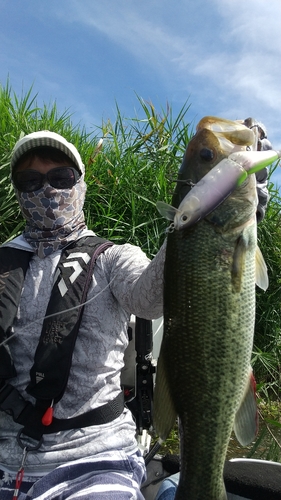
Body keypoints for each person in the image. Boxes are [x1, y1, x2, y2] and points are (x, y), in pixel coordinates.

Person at [0, 130, 166, 500]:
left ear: (80, 185)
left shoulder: (113, 258)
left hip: (97, 457)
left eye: (61, 178)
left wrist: (205, 213)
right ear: (18, 193)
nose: (47, 191)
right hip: (5, 456)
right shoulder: (2, 262)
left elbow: (150, 300)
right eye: (31, 181)